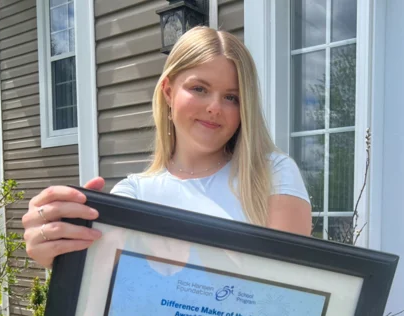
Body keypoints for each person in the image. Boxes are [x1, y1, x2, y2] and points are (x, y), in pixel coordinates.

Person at [22, 26, 312, 269]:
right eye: (199, 89)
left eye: (232, 97)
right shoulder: (134, 194)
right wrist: (64, 252)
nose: (214, 107)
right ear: (169, 92)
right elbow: (108, 290)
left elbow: (292, 289)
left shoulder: (272, 172)